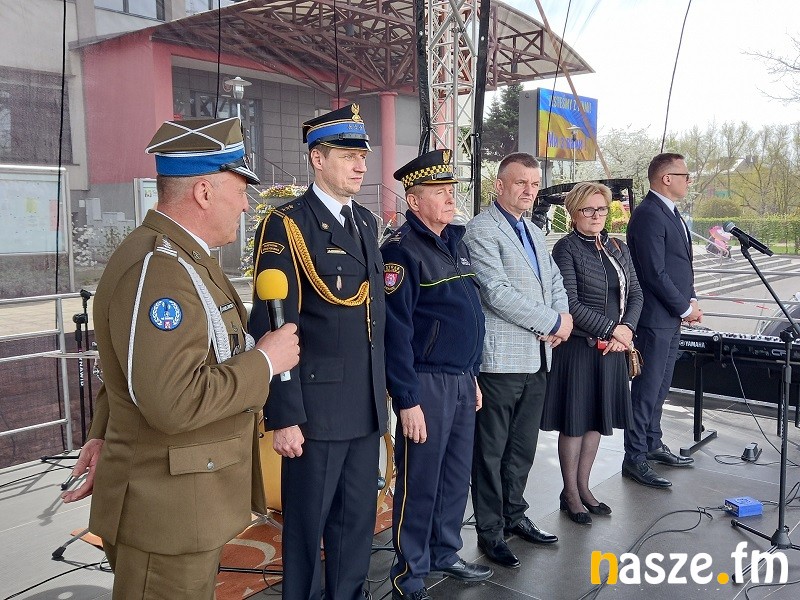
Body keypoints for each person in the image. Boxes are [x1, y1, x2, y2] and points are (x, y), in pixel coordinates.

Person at [63, 116, 300, 599]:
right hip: (166, 512)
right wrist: (264, 362)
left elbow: (131, 370)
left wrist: (102, 432)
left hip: (183, 505)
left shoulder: (182, 259)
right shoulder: (161, 270)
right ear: (204, 192)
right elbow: (172, 400)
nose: (246, 203)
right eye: (240, 189)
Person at [248, 103, 388, 600]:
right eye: (348, 156)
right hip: (315, 413)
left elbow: (375, 320)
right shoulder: (287, 225)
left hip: (364, 408)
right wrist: (285, 416)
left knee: (356, 528)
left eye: (362, 156)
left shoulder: (366, 223)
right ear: (317, 158)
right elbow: (272, 325)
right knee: (307, 534)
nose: (360, 165)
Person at [381, 150, 491, 600]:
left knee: (454, 475)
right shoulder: (401, 251)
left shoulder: (454, 242)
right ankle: (409, 573)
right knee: (420, 481)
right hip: (426, 382)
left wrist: (472, 375)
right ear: (413, 200)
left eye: (451, 190)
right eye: (439, 192)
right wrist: (407, 400)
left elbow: (467, 316)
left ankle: (445, 552)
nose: (450, 198)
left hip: (461, 380)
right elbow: (396, 332)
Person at [463, 152, 572, 570]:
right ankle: (490, 531)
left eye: (534, 184)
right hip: (501, 361)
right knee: (491, 452)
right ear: (499, 185)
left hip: (539, 356)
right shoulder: (481, 230)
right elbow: (496, 292)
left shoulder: (533, 229)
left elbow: (554, 281)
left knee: (522, 448)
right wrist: (552, 321)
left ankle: (515, 515)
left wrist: (564, 319)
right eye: (521, 182)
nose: (529, 190)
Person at [540, 182, 643, 524]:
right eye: (588, 209)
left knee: (598, 419)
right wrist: (612, 329)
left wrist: (626, 331)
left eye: (601, 209)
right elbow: (570, 303)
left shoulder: (617, 246)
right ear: (573, 213)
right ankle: (570, 493)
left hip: (612, 349)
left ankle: (584, 488)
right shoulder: (566, 249)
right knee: (575, 422)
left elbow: (636, 293)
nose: (596, 215)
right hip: (579, 350)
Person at [623, 152, 702, 487]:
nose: (689, 180)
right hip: (654, 319)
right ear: (666, 178)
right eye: (685, 175)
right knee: (646, 388)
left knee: (661, 385)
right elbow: (654, 273)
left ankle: (652, 443)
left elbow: (681, 265)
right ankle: (634, 456)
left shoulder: (670, 212)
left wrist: (691, 299)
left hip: (671, 317)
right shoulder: (648, 215)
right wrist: (684, 308)